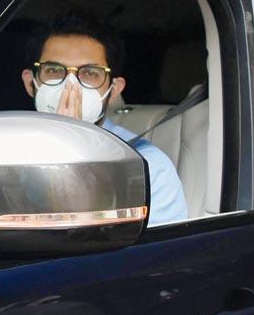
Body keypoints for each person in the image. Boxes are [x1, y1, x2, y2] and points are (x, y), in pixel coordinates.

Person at [21, 14, 188, 227]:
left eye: (90, 73)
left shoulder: (146, 166)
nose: (70, 85)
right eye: (54, 70)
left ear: (114, 89)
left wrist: (71, 150)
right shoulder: (6, 152)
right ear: (30, 82)